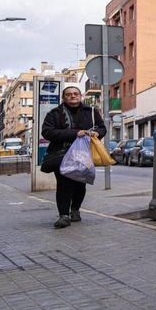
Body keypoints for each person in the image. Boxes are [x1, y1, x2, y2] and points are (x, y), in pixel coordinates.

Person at [40, 86, 105, 228]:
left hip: (84, 154)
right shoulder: (54, 113)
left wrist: (96, 133)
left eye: (75, 94)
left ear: (80, 96)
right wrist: (75, 133)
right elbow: (47, 132)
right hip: (61, 155)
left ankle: (75, 210)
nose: (72, 96)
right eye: (68, 94)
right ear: (63, 98)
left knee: (80, 184)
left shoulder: (92, 112)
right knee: (64, 185)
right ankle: (64, 215)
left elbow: (102, 128)